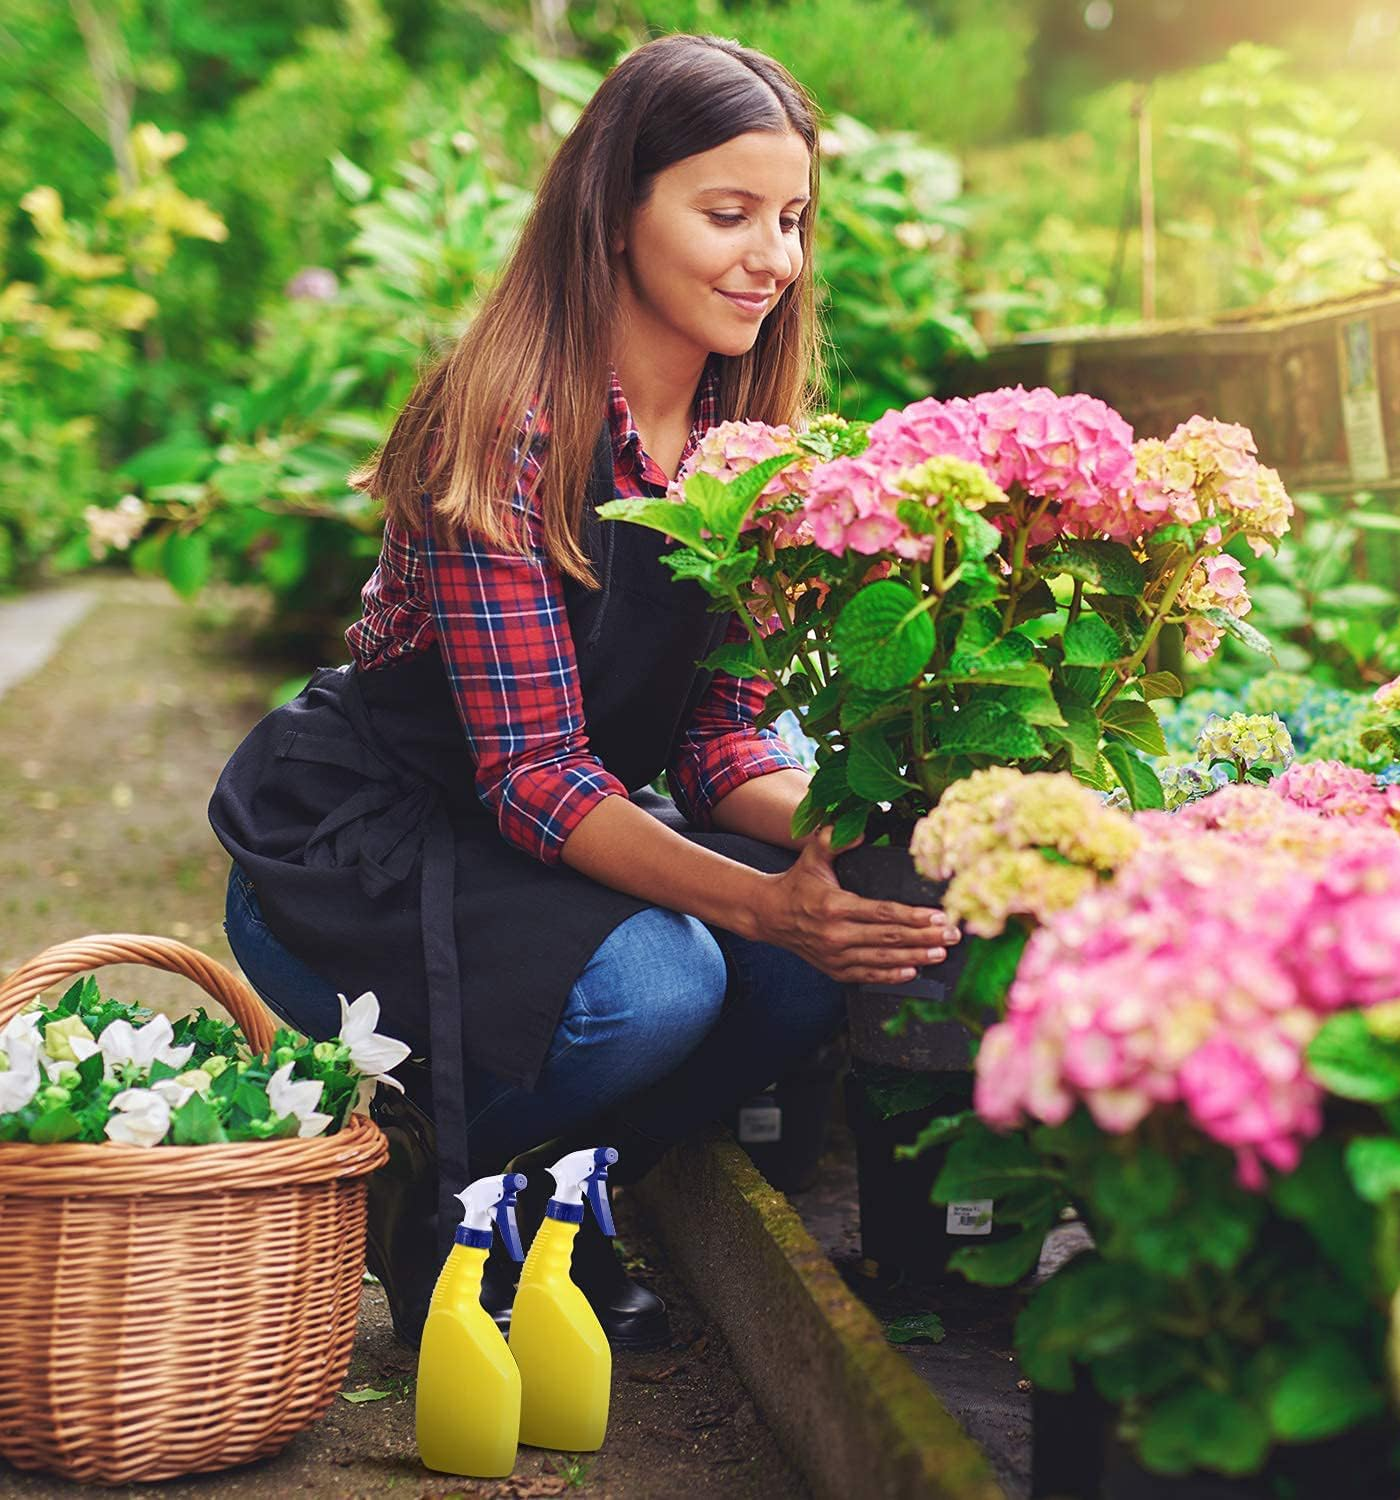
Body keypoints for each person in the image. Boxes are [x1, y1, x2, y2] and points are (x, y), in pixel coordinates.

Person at [208, 32, 961, 1351]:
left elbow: (726, 746)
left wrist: (865, 837)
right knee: (665, 983)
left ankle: (555, 1198)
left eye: (790, 220)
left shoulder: (743, 449)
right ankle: (435, 1192)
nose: (772, 259)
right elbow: (534, 772)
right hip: (357, 856)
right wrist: (763, 900)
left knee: (792, 981)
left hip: (539, 852)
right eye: (726, 215)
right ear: (616, 214)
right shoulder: (499, 426)